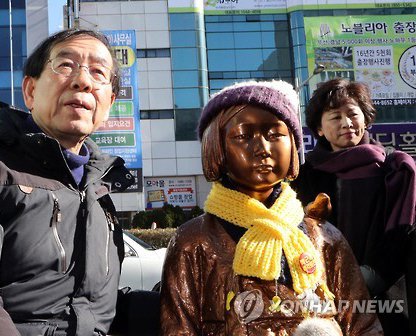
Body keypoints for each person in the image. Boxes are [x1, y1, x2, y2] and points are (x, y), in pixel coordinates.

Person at [0, 29, 134, 336]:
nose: (82, 80)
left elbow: (89, 309)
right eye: (65, 65)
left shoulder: (97, 193)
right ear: (30, 91)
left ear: (108, 104)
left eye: (98, 72)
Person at [160, 80, 382, 335]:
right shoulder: (194, 241)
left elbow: (363, 325)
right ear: (216, 146)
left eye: (275, 135)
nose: (263, 149)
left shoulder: (324, 237)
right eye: (243, 136)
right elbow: (178, 328)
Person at [291, 78, 416, 334]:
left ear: (366, 119)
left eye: (352, 114)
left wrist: (367, 277)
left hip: (388, 299)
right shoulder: (303, 177)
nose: (346, 123)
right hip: (322, 298)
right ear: (320, 129)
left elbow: (404, 233)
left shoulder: (396, 169)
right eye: (335, 117)